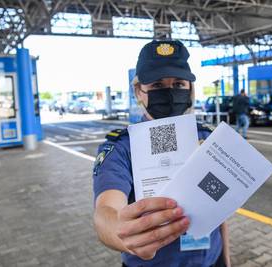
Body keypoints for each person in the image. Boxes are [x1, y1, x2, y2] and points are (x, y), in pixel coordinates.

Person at [93, 40, 231, 267]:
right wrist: (121, 232)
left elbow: (220, 210)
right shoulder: (121, 147)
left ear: (190, 89)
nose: (169, 93)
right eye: (157, 85)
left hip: (211, 260)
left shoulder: (208, 139)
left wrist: (226, 260)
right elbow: (105, 210)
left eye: (178, 84)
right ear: (139, 91)